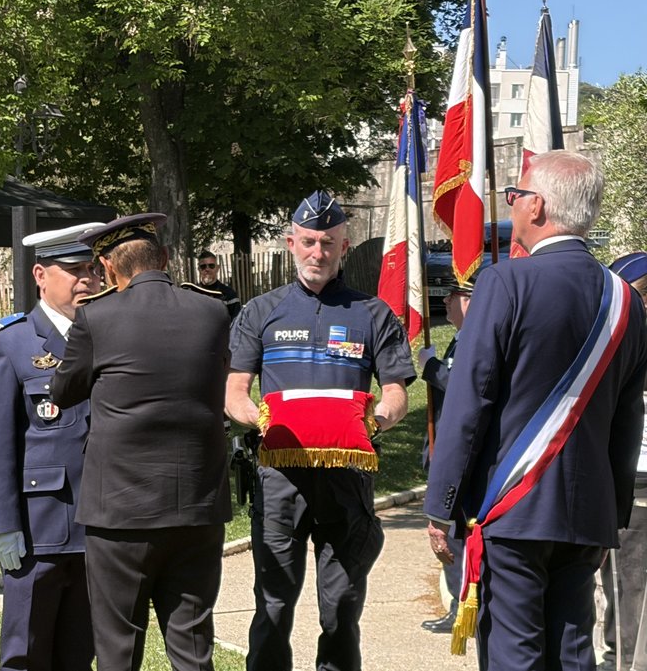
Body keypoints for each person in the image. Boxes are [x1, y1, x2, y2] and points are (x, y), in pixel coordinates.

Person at [424, 151, 647, 670]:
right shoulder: (627, 301)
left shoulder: (506, 282)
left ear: (539, 206)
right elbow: (626, 417)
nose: (514, 204)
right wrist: (611, 509)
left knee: (514, 651)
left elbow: (469, 400)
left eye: (516, 195)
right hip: (588, 511)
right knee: (573, 652)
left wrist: (442, 503)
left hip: (513, 508)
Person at [225, 191, 414, 671]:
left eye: (329, 243)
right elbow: (234, 394)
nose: (318, 252)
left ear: (345, 247)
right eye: (309, 241)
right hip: (280, 481)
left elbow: (396, 392)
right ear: (291, 242)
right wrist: (260, 418)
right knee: (272, 607)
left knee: (342, 611)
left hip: (347, 481)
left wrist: (377, 419)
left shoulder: (373, 314)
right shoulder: (259, 311)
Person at [51, 213, 233, 671]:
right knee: (193, 647)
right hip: (196, 505)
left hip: (120, 513)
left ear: (108, 268)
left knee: (118, 648)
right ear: (166, 258)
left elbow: (61, 391)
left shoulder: (96, 316)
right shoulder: (212, 310)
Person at [0, 222, 103, 671]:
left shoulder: (110, 337)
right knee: (26, 653)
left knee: (78, 655)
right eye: (75, 270)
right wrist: (0, 524)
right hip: (37, 529)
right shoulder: (8, 342)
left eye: (92, 269)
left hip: (100, 525)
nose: (88, 279)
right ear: (41, 275)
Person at [417, 275, 475, 635]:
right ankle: (460, 605)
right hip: (446, 450)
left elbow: (461, 388)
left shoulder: (474, 338)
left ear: (467, 300)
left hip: (460, 456)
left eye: (452, 297)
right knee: (451, 536)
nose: (446, 304)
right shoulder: (460, 338)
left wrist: (431, 368)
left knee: (453, 535)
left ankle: (463, 609)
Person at [601, 251, 647, 671]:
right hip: (632, 478)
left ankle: (625, 661)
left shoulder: (627, 343)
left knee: (627, 584)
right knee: (626, 584)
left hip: (636, 479)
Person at [197, 250, 241, 318]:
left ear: (217, 268)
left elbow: (236, 322)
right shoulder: (192, 293)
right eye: (203, 266)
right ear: (199, 269)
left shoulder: (229, 295)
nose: (207, 269)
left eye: (211, 266)